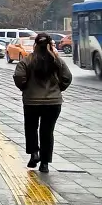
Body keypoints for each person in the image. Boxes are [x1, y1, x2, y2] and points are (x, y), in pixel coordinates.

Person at [13, 32, 73, 173]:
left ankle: (34, 153)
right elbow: (67, 77)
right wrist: (58, 89)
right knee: (47, 131)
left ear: (35, 45)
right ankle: (45, 164)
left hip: (31, 101)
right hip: (53, 102)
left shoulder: (27, 61)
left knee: (31, 128)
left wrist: (26, 88)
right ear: (49, 45)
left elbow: (19, 77)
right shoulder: (57, 61)